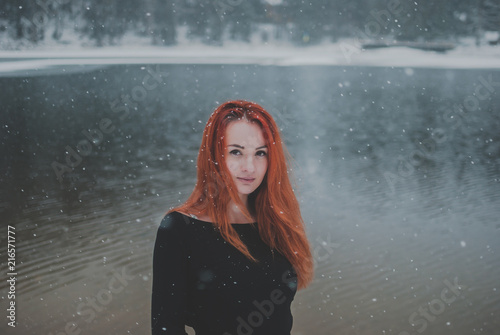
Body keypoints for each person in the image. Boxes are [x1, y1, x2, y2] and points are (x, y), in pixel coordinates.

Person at [151, 100, 314, 335]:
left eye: (260, 153)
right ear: (214, 156)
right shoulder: (180, 228)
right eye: (236, 151)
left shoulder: (276, 221)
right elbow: (166, 328)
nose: (250, 167)